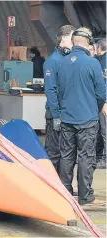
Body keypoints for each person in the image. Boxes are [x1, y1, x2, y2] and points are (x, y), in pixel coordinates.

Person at [56, 27, 107, 206]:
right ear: (87, 43)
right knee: (86, 156)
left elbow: (59, 90)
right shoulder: (92, 63)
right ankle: (85, 195)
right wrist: (99, 107)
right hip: (87, 118)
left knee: (67, 156)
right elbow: (101, 92)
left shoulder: (62, 63)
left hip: (67, 117)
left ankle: (65, 191)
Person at [43, 25, 76, 176]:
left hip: (68, 114)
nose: (74, 42)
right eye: (72, 39)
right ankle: (51, 185)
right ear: (63, 39)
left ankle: (64, 186)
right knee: (54, 153)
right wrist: (56, 115)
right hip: (56, 115)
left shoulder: (68, 60)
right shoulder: (52, 61)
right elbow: (50, 90)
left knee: (67, 154)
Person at [95, 38, 107, 169]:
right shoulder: (99, 61)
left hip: (104, 103)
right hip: (100, 102)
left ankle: (105, 159)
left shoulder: (104, 62)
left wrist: (105, 102)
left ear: (99, 48)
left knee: (105, 131)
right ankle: (99, 156)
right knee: (100, 131)